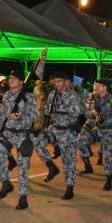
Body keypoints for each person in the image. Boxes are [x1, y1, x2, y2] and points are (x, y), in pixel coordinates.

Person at [0, 70, 38, 210]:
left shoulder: (29, 97)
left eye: (14, 78)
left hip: (23, 134)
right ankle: (6, 183)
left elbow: (35, 115)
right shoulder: (7, 95)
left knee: (23, 167)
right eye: (10, 77)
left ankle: (23, 197)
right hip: (9, 133)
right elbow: (1, 114)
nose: (11, 80)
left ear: (21, 82)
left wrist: (20, 117)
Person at [34, 72, 81, 200]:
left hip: (67, 131)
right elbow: (49, 110)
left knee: (68, 161)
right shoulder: (52, 94)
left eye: (60, 81)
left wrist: (58, 113)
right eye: (55, 81)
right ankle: (52, 167)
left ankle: (69, 188)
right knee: (38, 143)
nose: (57, 83)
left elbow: (75, 113)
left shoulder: (73, 96)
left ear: (66, 82)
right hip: (54, 128)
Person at [77, 79, 112, 190]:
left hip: (108, 130)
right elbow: (84, 111)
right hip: (96, 127)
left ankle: (108, 180)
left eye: (98, 85)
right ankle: (88, 166)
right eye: (95, 84)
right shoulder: (92, 97)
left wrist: (104, 120)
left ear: (104, 87)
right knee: (81, 140)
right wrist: (92, 113)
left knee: (108, 156)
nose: (95, 86)